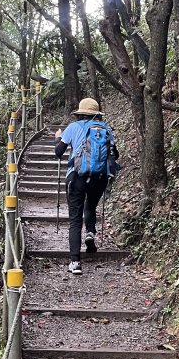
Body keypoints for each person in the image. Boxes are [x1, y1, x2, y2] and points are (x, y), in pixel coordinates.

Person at [54, 97, 119, 275]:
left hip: (77, 177)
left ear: (80, 113)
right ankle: (90, 233)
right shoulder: (106, 129)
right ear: (96, 113)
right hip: (99, 177)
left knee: (75, 219)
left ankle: (75, 262)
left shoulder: (73, 127)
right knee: (90, 205)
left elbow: (58, 153)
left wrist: (58, 138)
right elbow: (115, 154)